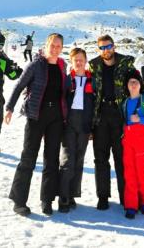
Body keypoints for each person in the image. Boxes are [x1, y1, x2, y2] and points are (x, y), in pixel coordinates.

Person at [89, 35, 144, 211]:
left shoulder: (125, 64)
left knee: (122, 158)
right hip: (101, 116)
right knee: (101, 158)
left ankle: (125, 197)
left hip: (120, 116)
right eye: (102, 48)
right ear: (99, 49)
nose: (106, 50)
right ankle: (102, 196)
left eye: (109, 46)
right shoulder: (94, 65)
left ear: (114, 46)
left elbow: (140, 83)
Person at [4, 33, 67, 217]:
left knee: (52, 159)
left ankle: (47, 200)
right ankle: (19, 200)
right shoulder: (36, 64)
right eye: (52, 45)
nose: (55, 48)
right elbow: (19, 85)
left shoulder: (63, 66)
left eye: (58, 46)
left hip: (56, 117)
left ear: (62, 48)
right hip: (36, 116)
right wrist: (9, 107)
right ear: (46, 45)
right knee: (28, 157)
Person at [57, 48, 95, 213]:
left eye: (81, 59)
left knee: (79, 160)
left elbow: (95, 104)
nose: (79, 63)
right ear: (71, 62)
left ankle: (72, 194)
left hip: (85, 125)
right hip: (69, 124)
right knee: (67, 160)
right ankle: (63, 196)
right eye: (75, 60)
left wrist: (93, 126)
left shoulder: (92, 80)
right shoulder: (67, 79)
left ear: (86, 61)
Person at [121, 70, 144, 219]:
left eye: (136, 81)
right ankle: (131, 205)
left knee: (141, 173)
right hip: (128, 141)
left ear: (140, 84)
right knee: (129, 173)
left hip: (143, 142)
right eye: (130, 82)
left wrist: (140, 120)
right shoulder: (125, 102)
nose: (133, 84)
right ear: (127, 86)